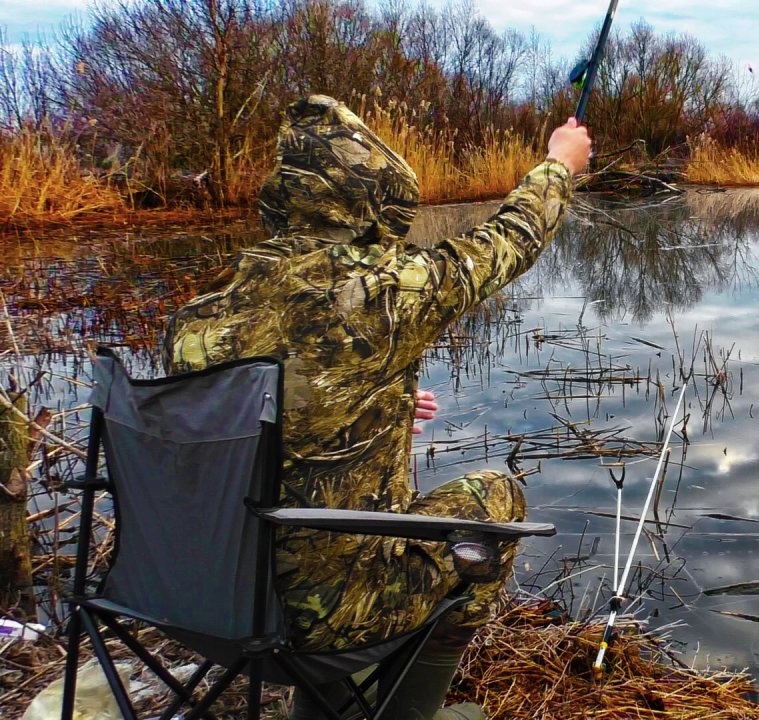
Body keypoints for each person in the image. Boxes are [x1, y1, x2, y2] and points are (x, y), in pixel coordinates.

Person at [163, 95, 591, 719]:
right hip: (323, 621)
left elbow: (256, 423)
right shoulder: (380, 301)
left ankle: (322, 706)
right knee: (498, 502)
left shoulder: (195, 322)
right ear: (372, 203)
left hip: (195, 601)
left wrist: (373, 403)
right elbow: (510, 240)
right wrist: (559, 163)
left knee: (312, 545)